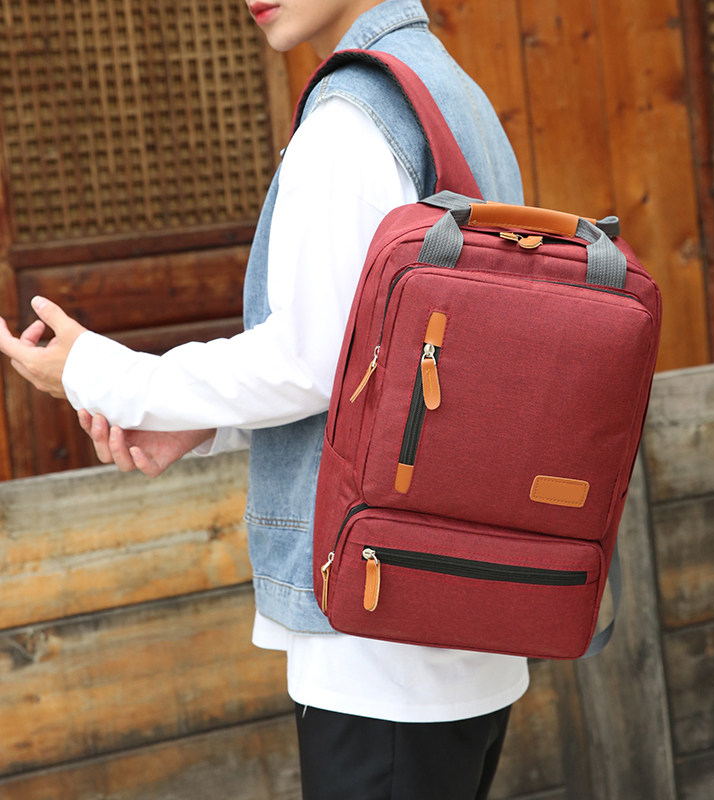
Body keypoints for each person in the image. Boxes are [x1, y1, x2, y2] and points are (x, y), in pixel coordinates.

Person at [0, 1, 531, 797]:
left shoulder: (352, 117)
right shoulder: (453, 94)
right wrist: (203, 425)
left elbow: (310, 362)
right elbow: (384, 366)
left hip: (376, 627)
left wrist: (102, 375)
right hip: (462, 608)